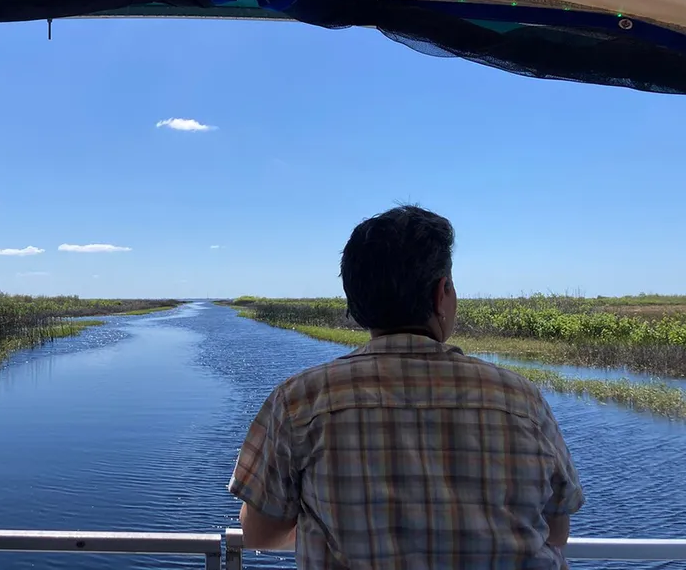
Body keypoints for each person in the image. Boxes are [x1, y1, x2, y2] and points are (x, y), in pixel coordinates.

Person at [228, 205, 584, 569]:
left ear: (356, 303)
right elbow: (556, 529)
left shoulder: (300, 401)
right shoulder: (521, 399)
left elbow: (259, 533)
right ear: (441, 294)